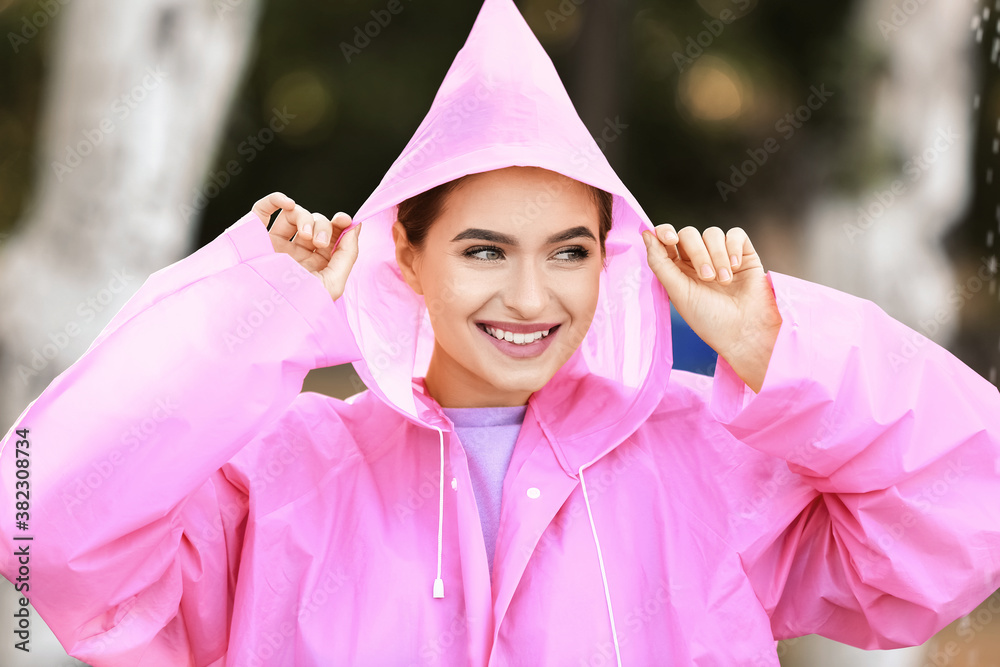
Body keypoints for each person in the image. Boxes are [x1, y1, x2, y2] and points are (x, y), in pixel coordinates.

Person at [3, 0, 1000, 665]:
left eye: (568, 251)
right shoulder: (285, 473)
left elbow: (970, 505)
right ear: (407, 253)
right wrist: (254, 313)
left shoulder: (699, 457)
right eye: (484, 250)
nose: (533, 296)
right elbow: (42, 521)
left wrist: (777, 344)